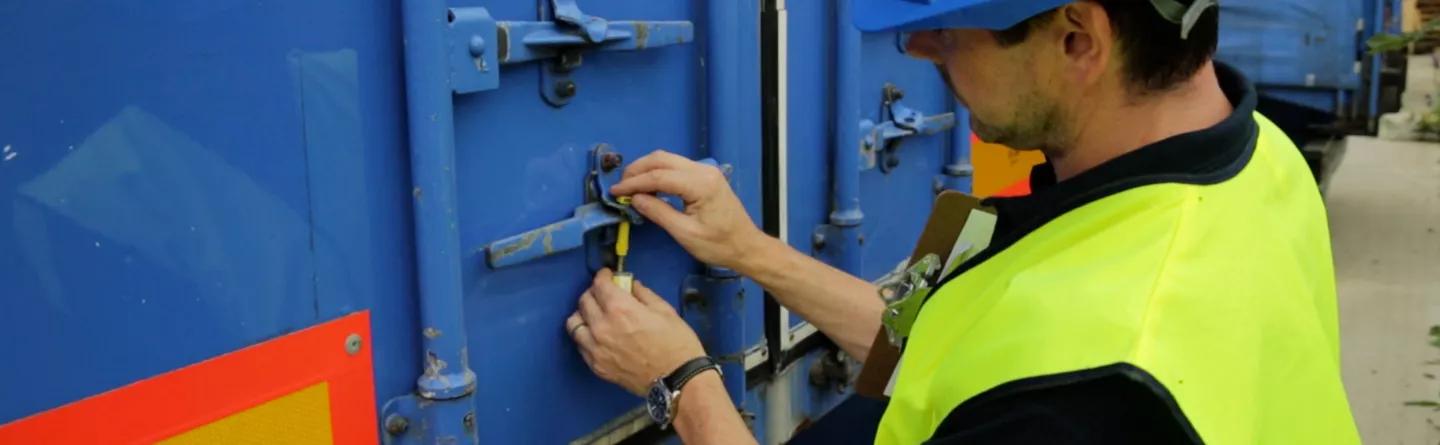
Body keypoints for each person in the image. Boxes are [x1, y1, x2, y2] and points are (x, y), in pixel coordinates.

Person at [563, 0, 1362, 443]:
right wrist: (749, 249)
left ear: (1079, 38)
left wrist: (682, 383)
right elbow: (961, 347)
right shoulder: (1257, 159)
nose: (914, 47)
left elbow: (1057, 369)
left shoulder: (1093, 397)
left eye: (949, 30)